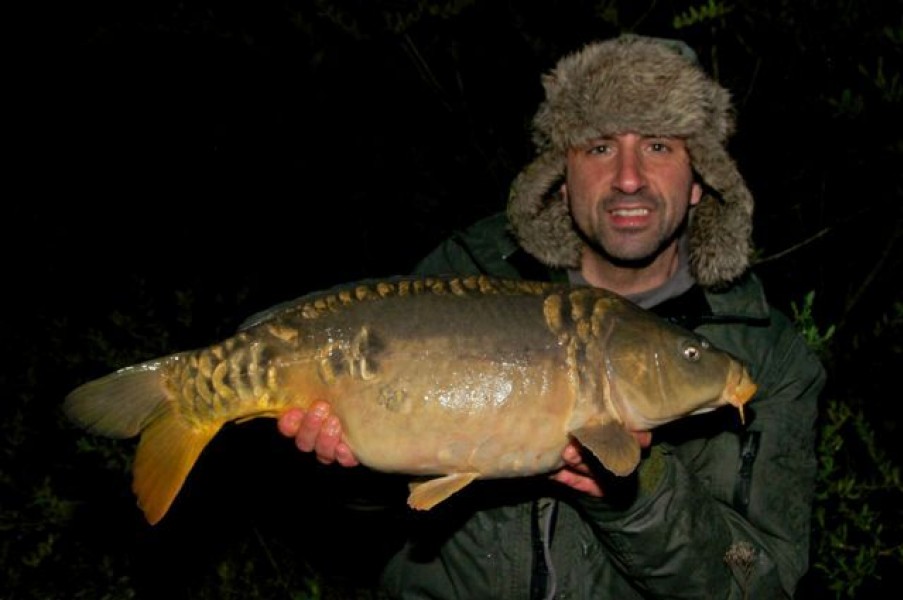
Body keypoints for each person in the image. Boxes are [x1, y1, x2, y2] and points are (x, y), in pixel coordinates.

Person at [276, 34, 825, 599]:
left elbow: (761, 585)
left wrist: (637, 491)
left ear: (699, 181)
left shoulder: (769, 354)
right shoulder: (462, 277)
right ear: (562, 179)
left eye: (659, 146)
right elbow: (354, 539)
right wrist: (353, 479)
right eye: (600, 147)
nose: (629, 178)